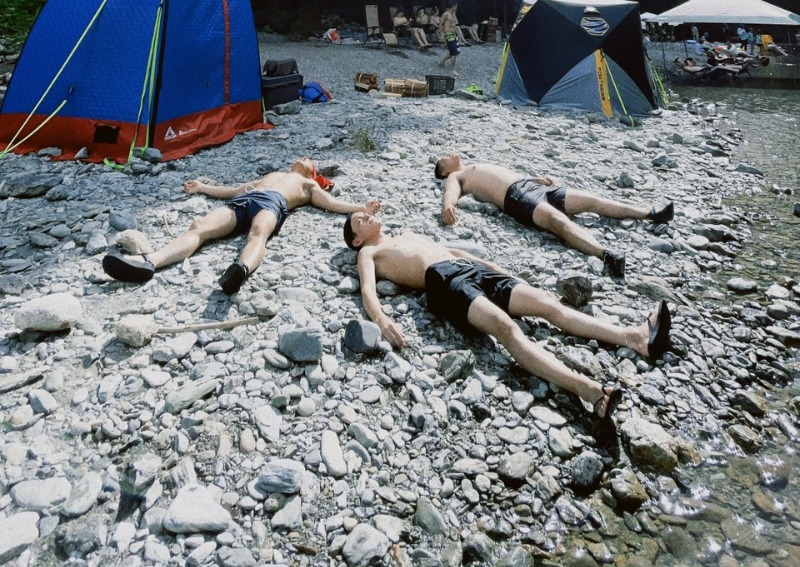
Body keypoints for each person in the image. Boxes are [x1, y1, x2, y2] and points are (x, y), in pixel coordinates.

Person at [343, 208, 671, 422]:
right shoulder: (370, 252)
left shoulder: (405, 235)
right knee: (506, 328)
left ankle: (635, 338)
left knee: (548, 305)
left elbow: (457, 251)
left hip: (471, 269)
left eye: (364, 215)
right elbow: (368, 291)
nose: (367, 217)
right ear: (357, 240)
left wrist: (500, 272)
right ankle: (589, 391)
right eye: (360, 220)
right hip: (445, 282)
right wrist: (382, 320)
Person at [102, 159, 376, 295]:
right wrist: (203, 187)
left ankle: (240, 270)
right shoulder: (274, 174)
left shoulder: (308, 184)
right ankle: (150, 262)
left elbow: (330, 203)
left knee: (260, 233)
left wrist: (361, 209)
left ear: (311, 171)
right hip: (245, 199)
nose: (303, 158)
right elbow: (235, 190)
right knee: (200, 226)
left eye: (308, 161)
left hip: (273, 203)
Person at [433, 156, 674, 280]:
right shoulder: (456, 177)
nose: (449, 153)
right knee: (559, 223)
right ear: (444, 170)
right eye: (444, 157)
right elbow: (450, 193)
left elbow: (506, 174)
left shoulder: (473, 163)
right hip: (517, 198)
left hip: (529, 186)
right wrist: (449, 206)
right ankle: (606, 254)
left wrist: (536, 179)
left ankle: (650, 213)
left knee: (591, 200)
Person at [438, 4, 461, 72]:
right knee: (454, 51)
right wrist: (442, 35)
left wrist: (458, 33)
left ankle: (442, 61)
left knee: (455, 52)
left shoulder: (453, 14)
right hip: (448, 34)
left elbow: (455, 24)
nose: (457, 8)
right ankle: (453, 69)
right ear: (453, 6)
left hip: (454, 34)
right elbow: (440, 24)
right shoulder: (446, 14)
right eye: (456, 6)